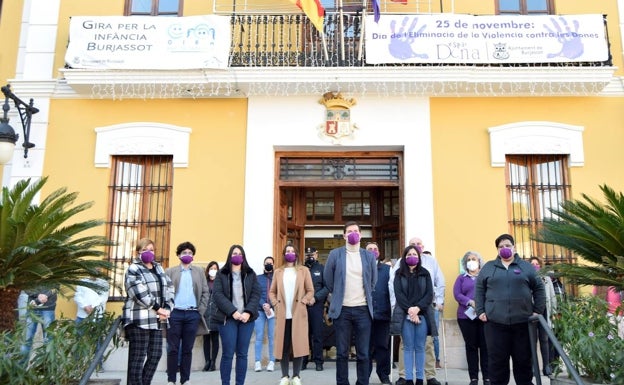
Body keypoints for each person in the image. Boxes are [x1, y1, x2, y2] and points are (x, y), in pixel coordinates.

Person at [475, 234, 545, 385]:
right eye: (501, 247)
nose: (504, 249)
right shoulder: (488, 267)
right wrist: (480, 311)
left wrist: (537, 310)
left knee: (523, 361)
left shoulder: (526, 267)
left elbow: (539, 288)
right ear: (497, 250)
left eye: (507, 245)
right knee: (497, 363)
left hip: (522, 324)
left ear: (514, 247)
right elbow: (479, 289)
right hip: (495, 324)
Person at [324, 220, 377, 385]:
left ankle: (362, 382)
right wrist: (338, 292)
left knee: (363, 353)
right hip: (343, 310)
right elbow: (328, 279)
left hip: (362, 310)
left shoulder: (368, 256)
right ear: (344, 235)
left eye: (356, 230)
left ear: (360, 234)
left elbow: (373, 281)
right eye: (349, 231)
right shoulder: (335, 254)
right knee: (341, 353)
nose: (353, 233)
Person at [391, 237, 444, 385]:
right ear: (404, 257)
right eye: (409, 254)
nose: (412, 257)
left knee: (422, 346)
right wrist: (410, 310)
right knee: (407, 347)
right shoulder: (399, 274)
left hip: (423, 314)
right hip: (406, 314)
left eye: (415, 254)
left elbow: (429, 294)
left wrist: (417, 308)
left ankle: (421, 379)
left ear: (419, 256)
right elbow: (398, 294)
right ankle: (407, 378)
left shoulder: (425, 273)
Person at [122, 238, 175, 385]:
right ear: (138, 252)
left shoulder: (159, 268)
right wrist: (158, 308)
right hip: (138, 319)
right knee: (138, 358)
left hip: (156, 320)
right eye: (145, 250)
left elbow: (169, 288)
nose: (148, 253)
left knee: (155, 355)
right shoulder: (133, 269)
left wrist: (168, 308)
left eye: (151, 249)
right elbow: (138, 293)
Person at [210, 244, 261, 385]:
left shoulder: (251, 274)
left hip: (246, 319)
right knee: (227, 353)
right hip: (228, 319)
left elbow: (256, 294)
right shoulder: (222, 274)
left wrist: (248, 312)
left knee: (242, 354)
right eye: (234, 253)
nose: (236, 256)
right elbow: (218, 295)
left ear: (243, 256)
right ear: (229, 256)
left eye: (239, 253)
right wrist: (233, 312)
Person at [165, 241, 210, 385]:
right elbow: (164, 292)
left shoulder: (199, 272)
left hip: (192, 314)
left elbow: (205, 292)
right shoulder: (170, 272)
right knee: (172, 348)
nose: (187, 255)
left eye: (190, 253)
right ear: (178, 255)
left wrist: (200, 311)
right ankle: (171, 379)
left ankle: (185, 380)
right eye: (184, 253)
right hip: (175, 314)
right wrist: (167, 310)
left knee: (187, 349)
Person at [270, 244, 315, 385]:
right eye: (287, 251)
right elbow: (272, 292)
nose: (290, 253)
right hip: (283, 314)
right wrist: (276, 304)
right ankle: (284, 376)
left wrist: (304, 301)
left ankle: (296, 376)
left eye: (292, 251)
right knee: (283, 346)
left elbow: (310, 290)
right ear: (284, 254)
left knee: (298, 345)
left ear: (296, 254)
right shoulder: (278, 272)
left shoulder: (304, 270)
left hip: (298, 314)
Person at [453, 251, 489, 385]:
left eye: (474, 259)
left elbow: (490, 292)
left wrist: (481, 303)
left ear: (479, 261)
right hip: (465, 317)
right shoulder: (461, 278)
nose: (471, 261)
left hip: (484, 316)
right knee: (471, 347)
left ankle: (487, 378)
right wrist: (469, 301)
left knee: (485, 347)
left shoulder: (485, 277)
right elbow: (457, 294)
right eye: (469, 259)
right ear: (465, 263)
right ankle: (473, 378)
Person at [366, 241, 392, 385]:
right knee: (365, 348)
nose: (372, 251)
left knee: (382, 346)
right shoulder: (361, 269)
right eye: (369, 249)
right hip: (365, 315)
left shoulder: (387, 270)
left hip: (383, 314)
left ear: (379, 253)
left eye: (375, 249)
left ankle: (384, 375)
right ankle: (364, 376)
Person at [302, 246, 329, 372]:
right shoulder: (300, 269)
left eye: (312, 254)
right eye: (307, 255)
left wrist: (316, 298)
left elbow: (327, 287)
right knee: (303, 335)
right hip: (302, 306)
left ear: (317, 255)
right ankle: (303, 361)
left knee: (317, 335)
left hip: (316, 306)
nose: (310, 257)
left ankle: (318, 361)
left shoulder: (322, 269)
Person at [529, 256, 556, 376]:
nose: (535, 265)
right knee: (532, 340)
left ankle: (546, 367)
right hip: (531, 311)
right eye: (532, 264)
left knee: (544, 340)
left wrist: (554, 312)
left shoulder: (546, 278)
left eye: (537, 263)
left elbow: (552, 295)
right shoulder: (527, 277)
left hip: (545, 311)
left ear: (540, 265)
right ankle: (534, 367)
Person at [20, 285, 59, 365]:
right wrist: (38, 296)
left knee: (48, 340)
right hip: (32, 308)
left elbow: (56, 287)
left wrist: (44, 296)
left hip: (48, 308)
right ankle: (21, 369)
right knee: (26, 339)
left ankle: (46, 368)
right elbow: (25, 285)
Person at [255, 256, 276, 372]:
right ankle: (257, 362)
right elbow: (256, 294)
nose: (269, 265)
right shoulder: (258, 278)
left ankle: (272, 361)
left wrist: (271, 306)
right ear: (264, 265)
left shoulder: (276, 278)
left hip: (272, 312)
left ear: (273, 265)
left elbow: (278, 294)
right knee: (259, 337)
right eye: (267, 263)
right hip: (260, 311)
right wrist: (264, 304)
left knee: (272, 337)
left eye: (271, 263)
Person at [203, 261, 220, 372]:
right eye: (211, 268)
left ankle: (213, 362)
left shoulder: (220, 283)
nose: (213, 270)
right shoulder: (204, 282)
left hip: (216, 313)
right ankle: (207, 361)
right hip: (205, 313)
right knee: (206, 338)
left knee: (215, 338)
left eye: (215, 268)